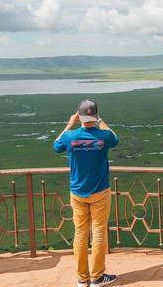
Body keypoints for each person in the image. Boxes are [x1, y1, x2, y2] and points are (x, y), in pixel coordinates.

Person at [53, 99, 119, 287]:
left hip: (78, 192)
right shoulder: (104, 136)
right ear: (95, 116)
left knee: (80, 233)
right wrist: (101, 121)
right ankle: (98, 277)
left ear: (79, 116)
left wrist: (69, 123)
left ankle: (83, 278)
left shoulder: (70, 137)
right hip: (100, 191)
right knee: (98, 232)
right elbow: (115, 137)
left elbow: (56, 145)